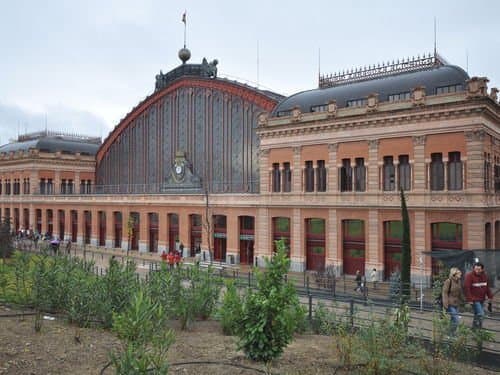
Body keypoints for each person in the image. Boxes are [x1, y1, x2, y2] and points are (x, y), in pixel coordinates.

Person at [464, 262, 493, 329]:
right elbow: (466, 288)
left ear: (482, 269)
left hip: (482, 299)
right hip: (474, 299)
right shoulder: (469, 276)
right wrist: (469, 299)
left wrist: (490, 296)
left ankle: (475, 329)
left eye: (479, 269)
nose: (477, 271)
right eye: (475, 269)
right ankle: (478, 328)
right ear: (474, 268)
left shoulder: (485, 276)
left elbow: (487, 287)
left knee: (477, 314)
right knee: (481, 314)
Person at [442, 267, 464, 334]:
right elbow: (444, 292)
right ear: (454, 274)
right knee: (456, 319)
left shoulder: (459, 281)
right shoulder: (448, 281)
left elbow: (460, 292)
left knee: (453, 320)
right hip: (450, 303)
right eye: (459, 273)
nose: (460, 274)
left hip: (456, 303)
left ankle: (450, 334)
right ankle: (451, 334)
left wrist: (464, 300)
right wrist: (445, 303)